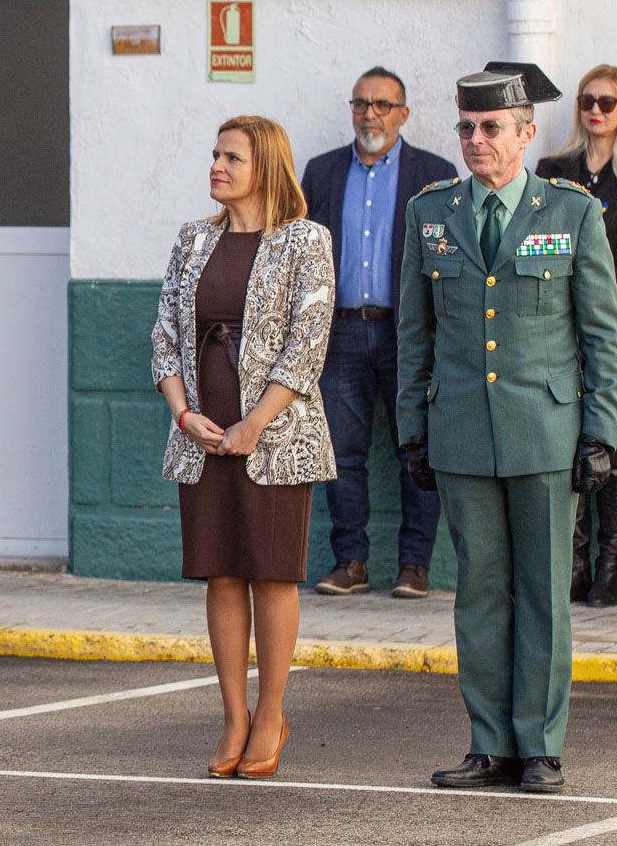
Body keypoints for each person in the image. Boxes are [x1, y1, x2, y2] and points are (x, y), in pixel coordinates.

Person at [399, 61, 617, 794]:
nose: (475, 139)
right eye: (466, 126)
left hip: (544, 432)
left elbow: (603, 337)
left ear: (526, 133)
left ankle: (541, 745)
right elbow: (415, 333)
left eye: (491, 127)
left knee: (542, 592)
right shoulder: (431, 213)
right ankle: (489, 741)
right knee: (480, 592)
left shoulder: (571, 213)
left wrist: (601, 432)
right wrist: (413, 429)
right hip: (462, 431)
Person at [152, 115, 336, 781]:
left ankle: (271, 714)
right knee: (221, 571)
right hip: (203, 437)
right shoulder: (193, 239)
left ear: (267, 166)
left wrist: (254, 423)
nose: (217, 166)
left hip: (276, 437)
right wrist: (183, 414)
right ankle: (233, 714)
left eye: (232, 156)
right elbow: (165, 337)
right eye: (214, 154)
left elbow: (307, 343)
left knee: (271, 572)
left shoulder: (304, 241)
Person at [300, 67, 457, 599]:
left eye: (383, 105)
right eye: (361, 103)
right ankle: (350, 561)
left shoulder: (433, 174)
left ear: (404, 114)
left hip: (406, 334)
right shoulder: (321, 173)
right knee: (341, 454)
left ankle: (415, 566)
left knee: (417, 449)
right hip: (339, 334)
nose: (370, 114)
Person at [536, 64, 617, 607]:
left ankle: (608, 570)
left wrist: (589, 286)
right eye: (586, 101)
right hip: (558, 335)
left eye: (608, 102)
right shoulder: (555, 171)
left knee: (612, 447)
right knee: (566, 448)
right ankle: (573, 567)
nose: (595, 110)